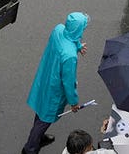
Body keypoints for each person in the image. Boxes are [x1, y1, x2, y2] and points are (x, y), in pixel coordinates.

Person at [24, 12, 90, 154]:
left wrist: (77, 45)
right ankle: (30, 148)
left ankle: (37, 139)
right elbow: (68, 82)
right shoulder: (70, 57)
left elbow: (67, 39)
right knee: (44, 120)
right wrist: (74, 102)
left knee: (41, 112)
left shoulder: (59, 29)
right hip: (54, 90)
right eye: (83, 28)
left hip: (45, 78)